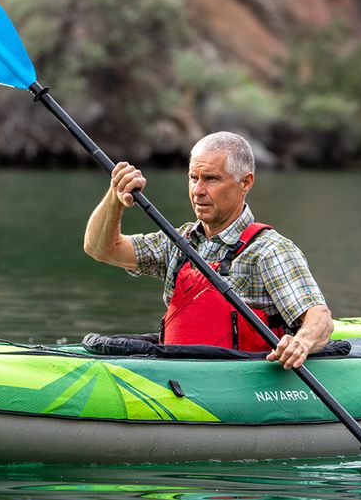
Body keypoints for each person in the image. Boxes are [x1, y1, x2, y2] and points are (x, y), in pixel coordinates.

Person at [84, 131, 332, 368]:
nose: (198, 190)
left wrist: (300, 343)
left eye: (211, 179)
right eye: (194, 178)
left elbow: (319, 318)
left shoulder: (270, 250)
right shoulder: (179, 241)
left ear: (245, 182)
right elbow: (102, 249)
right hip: (175, 378)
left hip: (245, 383)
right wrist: (115, 198)